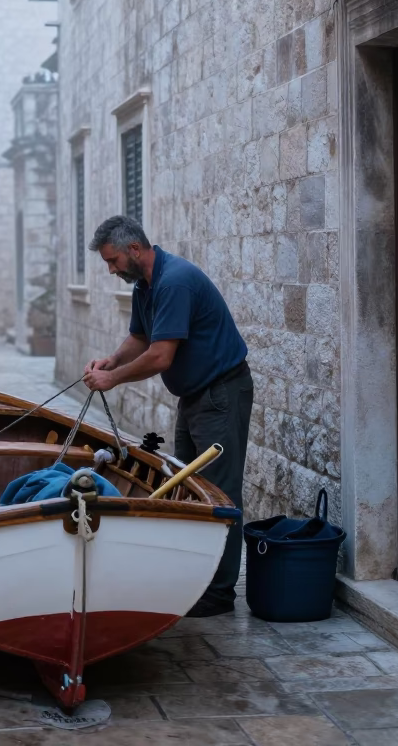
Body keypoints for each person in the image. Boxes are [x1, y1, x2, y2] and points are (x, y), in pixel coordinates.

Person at [82, 215, 253, 617]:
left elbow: (160, 356)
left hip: (220, 395)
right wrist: (112, 360)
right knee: (188, 486)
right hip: (194, 396)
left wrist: (113, 381)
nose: (110, 269)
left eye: (112, 261)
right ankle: (197, 578)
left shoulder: (175, 281)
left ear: (135, 250)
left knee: (220, 492)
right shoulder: (144, 285)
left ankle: (219, 593)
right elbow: (141, 337)